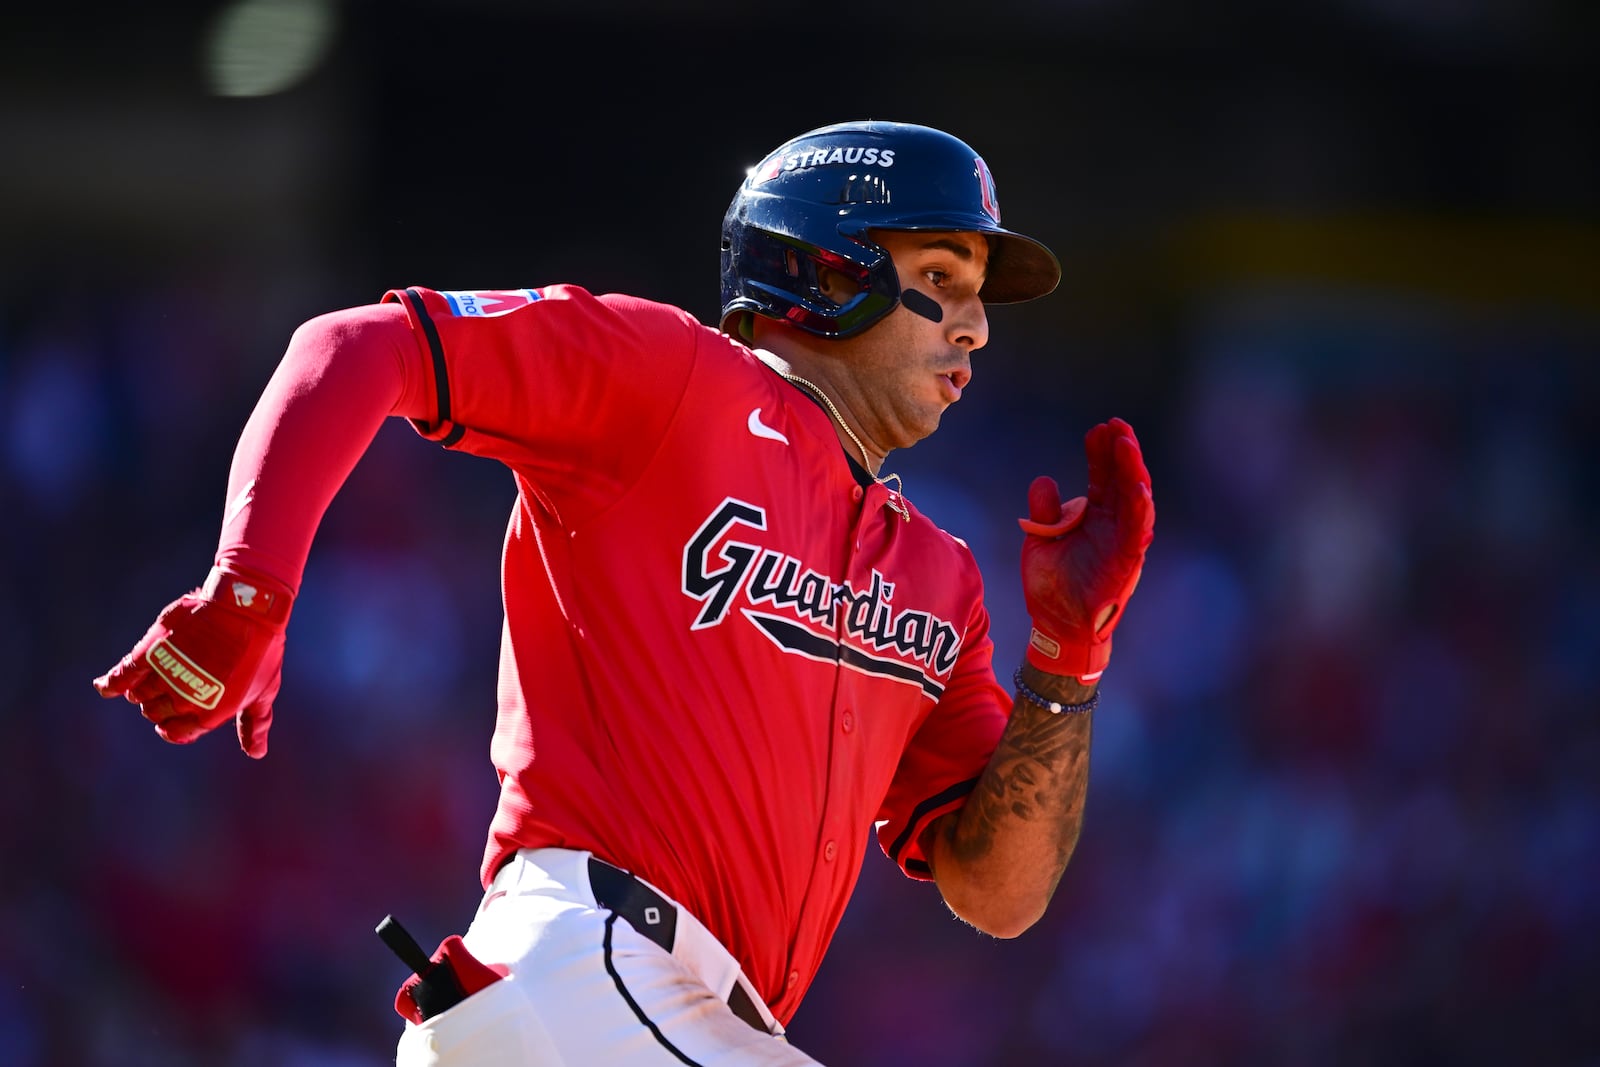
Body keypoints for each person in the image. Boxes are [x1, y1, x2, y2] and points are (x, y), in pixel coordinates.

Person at [94, 119, 1155, 1065]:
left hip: (686, 1018)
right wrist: (249, 588)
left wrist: (1069, 648)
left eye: (978, 299)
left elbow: (998, 892)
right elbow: (355, 345)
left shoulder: (941, 573)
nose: (972, 326)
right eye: (942, 275)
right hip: (585, 966)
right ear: (826, 272)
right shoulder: (671, 375)